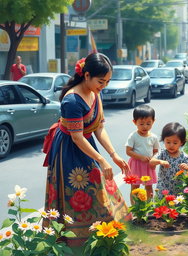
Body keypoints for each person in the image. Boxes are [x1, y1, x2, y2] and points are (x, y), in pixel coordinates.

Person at [43, 53, 130, 246]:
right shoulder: (72, 100)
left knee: (101, 191)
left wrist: (113, 155)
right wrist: (101, 159)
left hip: (87, 146)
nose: (104, 86)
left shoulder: (94, 93)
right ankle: (74, 243)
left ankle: (102, 238)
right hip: (69, 151)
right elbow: (76, 137)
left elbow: (99, 127)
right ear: (87, 75)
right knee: (76, 193)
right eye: (101, 81)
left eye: (107, 82)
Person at [150, 122, 188, 197]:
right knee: (162, 207)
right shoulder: (163, 153)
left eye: (175, 143)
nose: (171, 145)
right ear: (163, 140)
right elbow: (151, 161)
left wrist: (187, 167)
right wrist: (160, 161)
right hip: (163, 189)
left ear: (181, 143)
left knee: (176, 207)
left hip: (178, 190)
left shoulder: (184, 156)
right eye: (168, 142)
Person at [125, 105, 159, 202]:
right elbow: (128, 151)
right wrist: (140, 157)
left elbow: (156, 151)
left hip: (148, 164)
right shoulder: (133, 136)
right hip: (135, 164)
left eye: (148, 123)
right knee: (135, 187)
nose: (145, 126)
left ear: (153, 121)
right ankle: (135, 209)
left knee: (149, 187)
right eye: (141, 124)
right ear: (134, 122)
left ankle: (148, 207)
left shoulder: (154, 137)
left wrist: (153, 160)